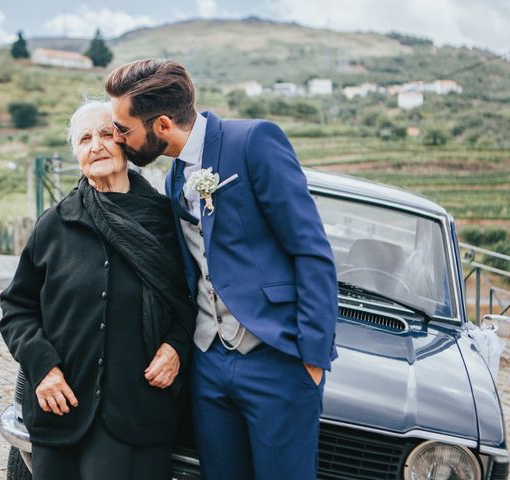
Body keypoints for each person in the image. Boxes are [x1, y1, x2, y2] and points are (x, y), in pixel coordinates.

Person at [106, 59, 338, 480]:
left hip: (277, 359)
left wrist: (312, 358)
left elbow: (311, 249)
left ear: (161, 125)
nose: (119, 139)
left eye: (123, 129)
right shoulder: (175, 175)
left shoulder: (253, 142)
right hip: (210, 362)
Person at [0, 100, 194, 480]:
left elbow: (192, 302)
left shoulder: (165, 221)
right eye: (85, 139)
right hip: (62, 410)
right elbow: (16, 308)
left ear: (128, 145)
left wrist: (175, 347)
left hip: (137, 414)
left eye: (107, 134)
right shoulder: (54, 225)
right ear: (77, 155)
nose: (96, 145)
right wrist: (44, 367)